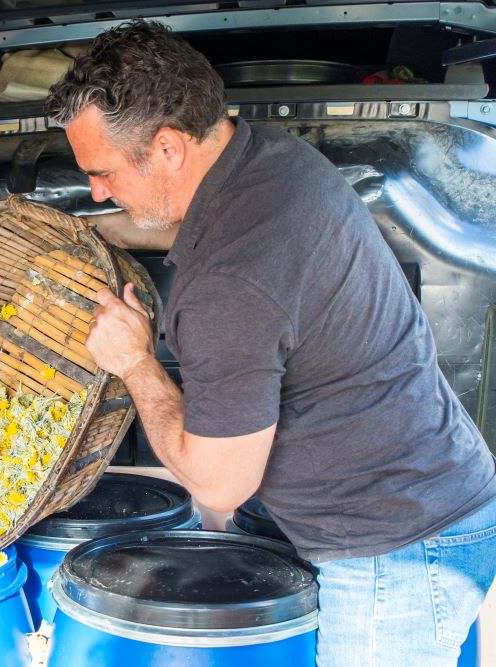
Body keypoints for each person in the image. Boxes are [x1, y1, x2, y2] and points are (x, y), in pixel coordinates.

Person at [47, 20, 496, 666]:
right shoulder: (262, 163)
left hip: (393, 551)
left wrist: (136, 361)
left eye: (103, 172)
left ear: (169, 149)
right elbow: (179, 226)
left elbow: (220, 486)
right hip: (435, 499)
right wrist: (92, 236)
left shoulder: (229, 283)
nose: (94, 191)